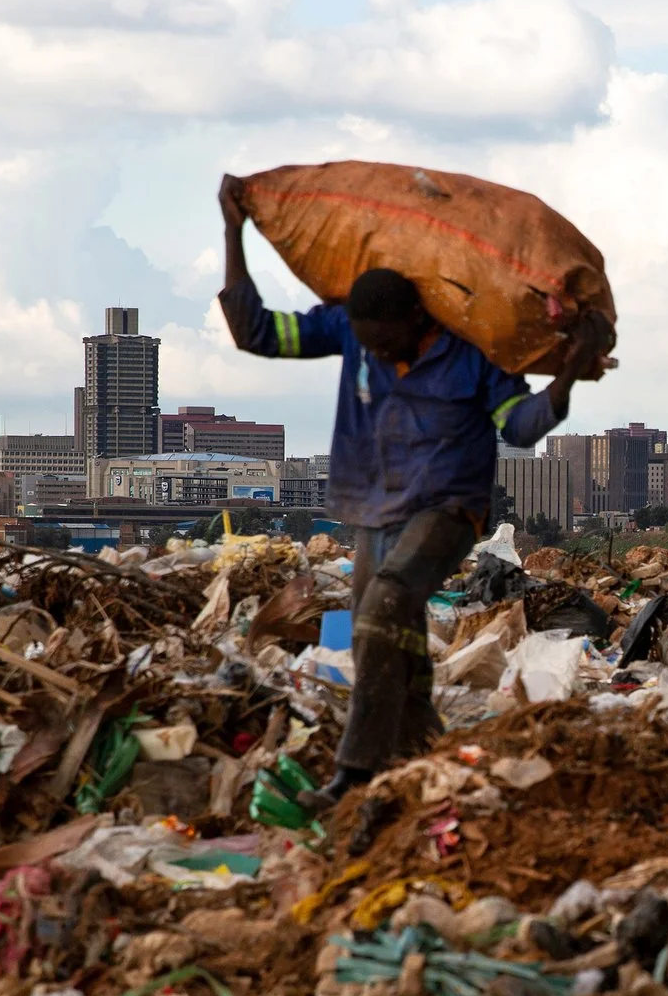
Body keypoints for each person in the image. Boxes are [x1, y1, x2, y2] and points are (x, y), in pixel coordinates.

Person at [215, 174, 592, 805]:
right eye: (367, 345)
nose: (377, 355)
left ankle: (355, 774)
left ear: (416, 318)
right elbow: (255, 332)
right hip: (375, 509)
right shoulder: (348, 334)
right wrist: (235, 229)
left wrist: (570, 373)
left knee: (387, 602)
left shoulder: (471, 355)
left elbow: (521, 429)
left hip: (448, 509)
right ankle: (425, 754)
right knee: (388, 630)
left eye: (387, 342)